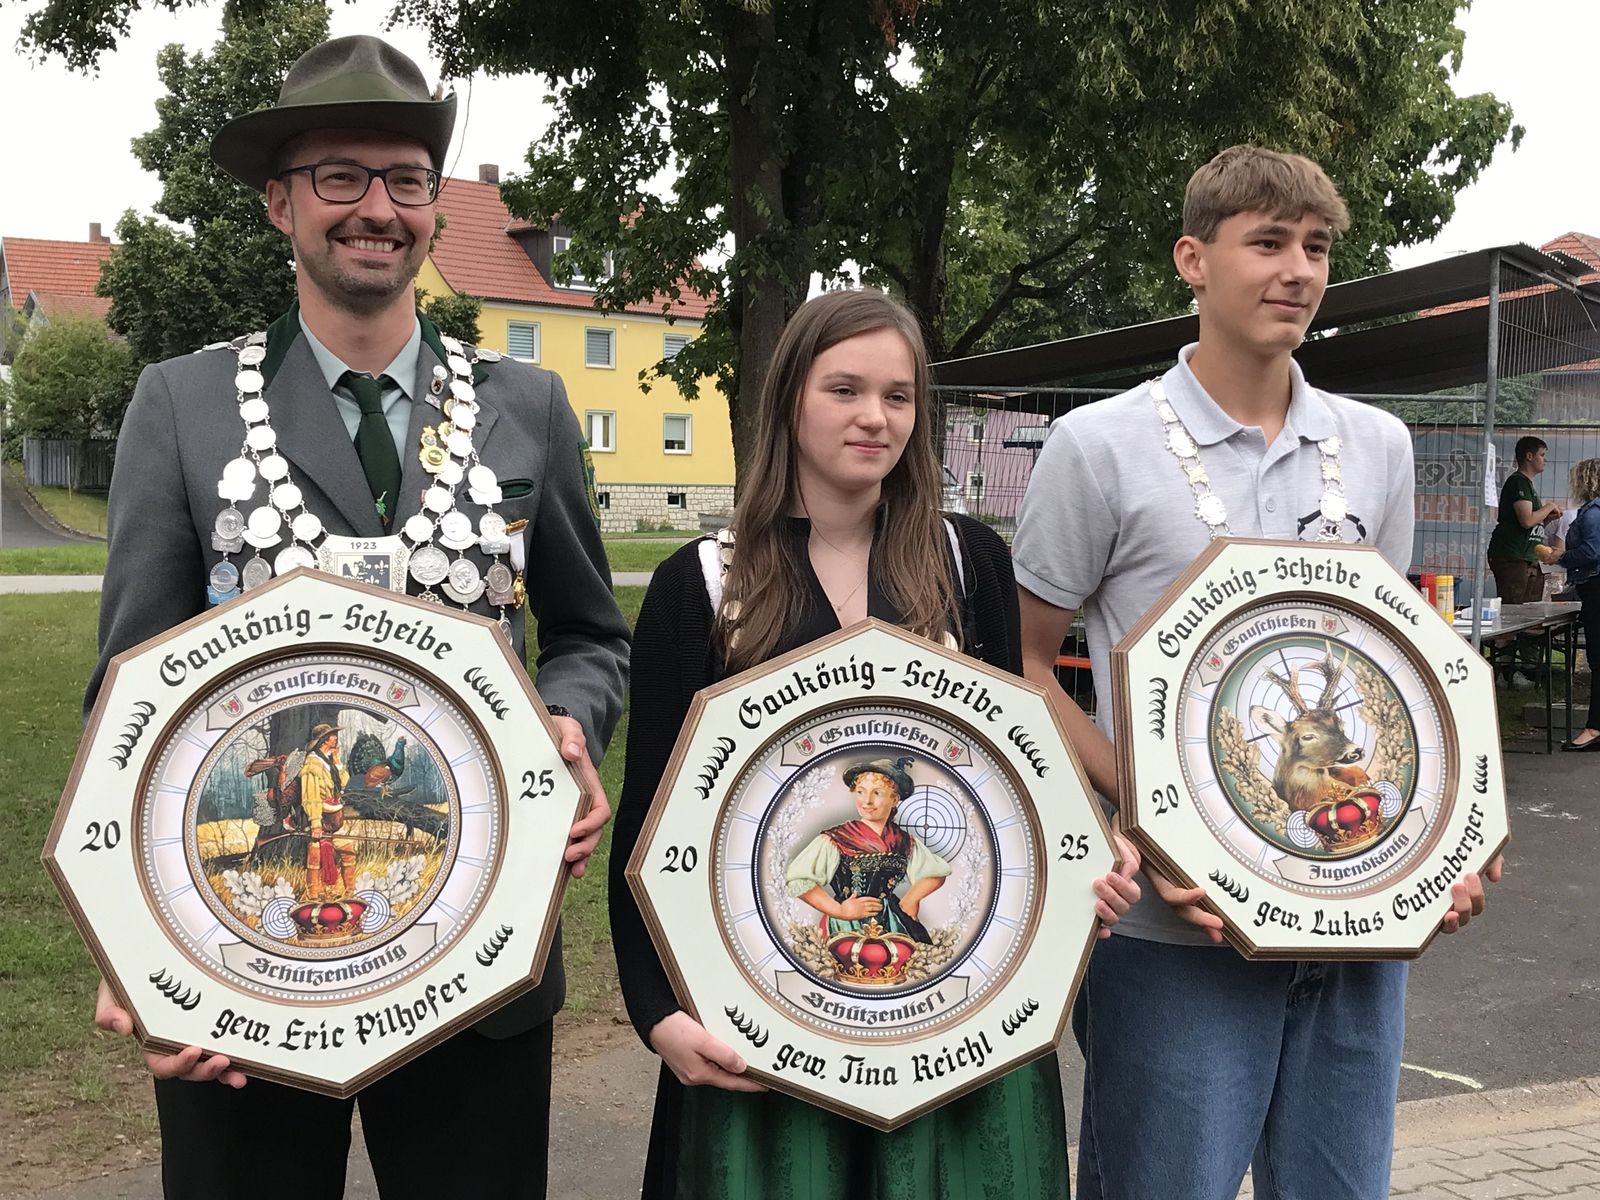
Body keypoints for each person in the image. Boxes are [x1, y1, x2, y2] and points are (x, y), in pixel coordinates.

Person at [83, 35, 630, 1200]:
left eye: (407, 179)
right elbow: (127, 688)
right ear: (280, 203)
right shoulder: (182, 404)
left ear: (433, 208)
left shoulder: (528, 404)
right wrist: (133, 940)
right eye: (341, 175)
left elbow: (589, 634)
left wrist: (569, 721)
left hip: (480, 958)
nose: (377, 208)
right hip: (239, 960)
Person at [1011, 145, 1501, 1200]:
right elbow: (1020, 668)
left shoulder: (1378, 446)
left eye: (1316, 248)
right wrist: (1149, 816)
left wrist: (1442, 844)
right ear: (1192, 259)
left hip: (1355, 932)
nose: (1297, 270)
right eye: (1268, 242)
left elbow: (1391, 670)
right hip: (1175, 935)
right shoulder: (1097, 446)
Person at [608, 289, 1141, 1199]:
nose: (875, 418)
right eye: (845, 389)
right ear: (789, 399)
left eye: (898, 397)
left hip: (956, 1027)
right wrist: (658, 1014)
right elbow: (648, 828)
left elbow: (1023, 775)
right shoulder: (702, 583)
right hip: (768, 1023)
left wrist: (1090, 851)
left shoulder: (968, 561)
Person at [786, 756, 949, 942]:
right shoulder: (837, 838)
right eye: (861, 792)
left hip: (892, 920)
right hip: (847, 924)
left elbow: (936, 873)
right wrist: (840, 910)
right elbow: (799, 880)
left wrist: (912, 898)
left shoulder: (903, 841)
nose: (867, 801)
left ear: (895, 799)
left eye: (877, 793)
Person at [1489, 436, 1561, 687]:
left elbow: (1532, 522)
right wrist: (1549, 506)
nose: (1545, 460)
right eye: (1542, 455)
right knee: (1511, 612)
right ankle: (1504, 671)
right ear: (1529, 456)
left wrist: (1547, 517)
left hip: (1528, 556)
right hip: (1512, 556)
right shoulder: (1518, 481)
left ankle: (1524, 667)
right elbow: (1526, 520)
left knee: (1528, 613)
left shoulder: (1528, 485)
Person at [1557, 458, 1600, 750]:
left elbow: (1591, 551)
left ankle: (1594, 728)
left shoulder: (1593, 511)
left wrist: (1561, 558)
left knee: (1597, 659)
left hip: (1596, 587)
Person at [300, 723, 356, 899]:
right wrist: (315, 823)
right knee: (315, 858)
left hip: (335, 818)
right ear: (324, 740)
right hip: (320, 817)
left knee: (348, 853)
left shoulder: (328, 761)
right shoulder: (312, 762)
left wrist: (337, 760)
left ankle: (350, 894)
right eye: (332, 735)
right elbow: (310, 796)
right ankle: (313, 897)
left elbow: (344, 782)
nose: (335, 738)